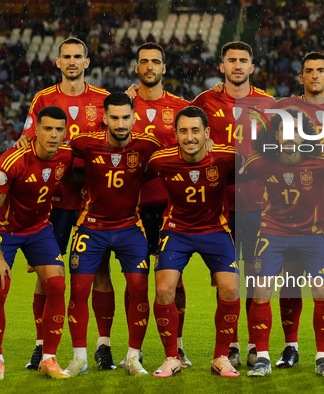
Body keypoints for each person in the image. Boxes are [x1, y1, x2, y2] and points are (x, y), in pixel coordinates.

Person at [16, 37, 117, 371]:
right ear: (57, 62)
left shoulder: (102, 99)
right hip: (56, 200)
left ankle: (103, 346)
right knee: (48, 275)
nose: (72, 61)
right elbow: (28, 139)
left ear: (87, 62)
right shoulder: (44, 98)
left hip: (94, 199)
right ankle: (41, 345)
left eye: (78, 56)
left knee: (100, 271)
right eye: (66, 57)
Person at [61, 93, 161, 377]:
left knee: (140, 289)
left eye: (125, 117)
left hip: (130, 227)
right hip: (91, 227)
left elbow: (173, 157)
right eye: (114, 117)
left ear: (134, 118)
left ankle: (133, 358)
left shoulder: (147, 145)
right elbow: (56, 154)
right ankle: (79, 358)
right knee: (79, 290)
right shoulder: (85, 143)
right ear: (104, 118)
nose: (120, 123)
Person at [192, 41, 276, 367]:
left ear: (252, 67)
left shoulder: (268, 103)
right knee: (227, 279)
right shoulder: (204, 102)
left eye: (243, 60)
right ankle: (232, 345)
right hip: (219, 207)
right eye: (232, 61)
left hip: (259, 204)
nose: (238, 65)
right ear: (222, 67)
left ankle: (256, 345)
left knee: (256, 277)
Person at [240, 108, 324, 377]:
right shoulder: (259, 162)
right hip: (273, 233)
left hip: (312, 235)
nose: (290, 136)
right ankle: (262, 357)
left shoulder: (322, 162)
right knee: (261, 291)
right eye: (284, 130)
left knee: (322, 291)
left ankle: (323, 357)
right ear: (275, 134)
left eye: (296, 130)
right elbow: (235, 169)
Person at [146, 106, 240, 378]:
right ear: (175, 134)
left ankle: (221, 357)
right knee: (164, 290)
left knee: (231, 288)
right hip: (176, 230)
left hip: (215, 230)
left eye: (196, 131)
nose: (190, 137)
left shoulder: (226, 156)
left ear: (207, 133)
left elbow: (258, 161)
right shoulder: (160, 160)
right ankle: (171, 357)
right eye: (184, 131)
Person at [273, 52, 324, 369]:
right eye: (309, 71)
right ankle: (290, 347)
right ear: (302, 76)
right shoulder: (284, 108)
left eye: (321, 70)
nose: (315, 75)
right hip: (294, 206)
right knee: (291, 277)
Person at [0, 106, 73, 381]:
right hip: (6, 232)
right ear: (35, 131)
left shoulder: (67, 156)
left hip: (39, 229)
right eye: (47, 128)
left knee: (57, 285)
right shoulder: (13, 160)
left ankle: (48, 358)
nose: (53, 134)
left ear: (65, 132)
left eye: (59, 129)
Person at [125, 42, 192, 367]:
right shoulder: (122, 106)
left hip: (170, 207)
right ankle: (130, 351)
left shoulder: (181, 107)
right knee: (135, 280)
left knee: (173, 279)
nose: (149, 66)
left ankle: (177, 347)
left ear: (164, 68)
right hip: (132, 209)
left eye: (155, 62)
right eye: (144, 62)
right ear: (137, 67)